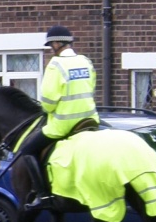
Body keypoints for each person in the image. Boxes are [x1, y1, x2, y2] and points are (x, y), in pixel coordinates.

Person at [18, 25, 99, 210]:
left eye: (51, 46)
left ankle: (43, 195)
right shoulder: (86, 61)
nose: (51, 50)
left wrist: (50, 108)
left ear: (56, 43)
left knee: (27, 150)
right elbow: (92, 88)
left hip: (64, 125)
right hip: (90, 121)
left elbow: (48, 103)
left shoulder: (55, 65)